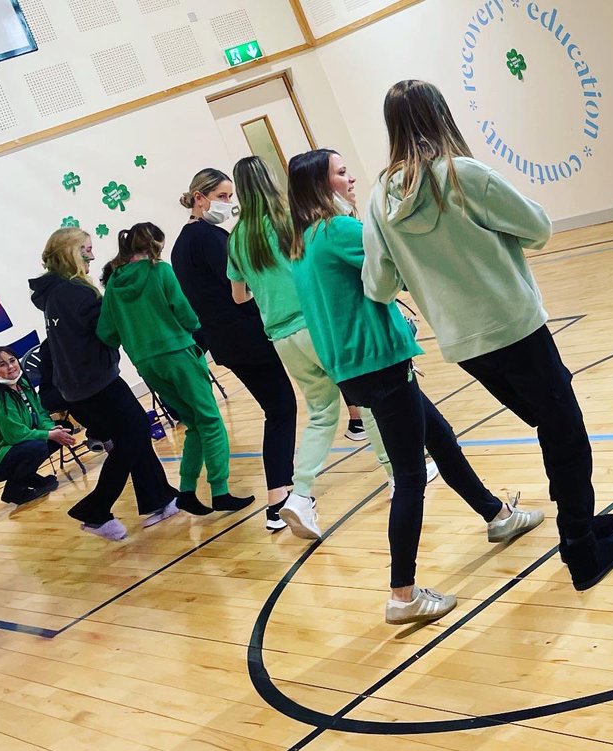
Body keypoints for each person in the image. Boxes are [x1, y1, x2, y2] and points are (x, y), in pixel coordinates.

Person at [361, 79, 613, 592]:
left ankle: (581, 522)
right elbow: (538, 229)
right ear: (441, 115)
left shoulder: (378, 201)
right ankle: (580, 547)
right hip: (514, 327)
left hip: (464, 345)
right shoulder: (464, 176)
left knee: (551, 424)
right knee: (565, 431)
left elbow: (378, 282)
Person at [288, 147, 544, 625]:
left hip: (355, 368)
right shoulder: (338, 230)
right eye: (341, 173)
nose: (350, 179)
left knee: (440, 439)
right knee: (409, 477)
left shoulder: (302, 241)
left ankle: (495, 515)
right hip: (379, 363)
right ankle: (402, 594)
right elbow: (393, 266)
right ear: (321, 187)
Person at [227, 155, 404, 541]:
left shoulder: (236, 237)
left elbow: (238, 296)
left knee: (322, 413)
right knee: (366, 400)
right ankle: (397, 475)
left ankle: (300, 494)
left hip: (280, 335)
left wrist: (266, 287)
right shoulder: (288, 219)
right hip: (315, 323)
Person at [30, 227, 178, 541]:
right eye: (86, 249)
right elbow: (105, 330)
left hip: (77, 388)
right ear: (71, 252)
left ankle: (160, 498)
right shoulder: (74, 292)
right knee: (134, 433)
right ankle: (96, 509)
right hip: (96, 383)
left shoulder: (54, 294)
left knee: (132, 435)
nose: (92, 256)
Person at [98, 222, 254, 516]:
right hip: (177, 354)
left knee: (194, 424)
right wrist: (191, 327)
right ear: (155, 244)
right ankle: (220, 491)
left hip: (146, 364)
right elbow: (186, 314)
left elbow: (106, 332)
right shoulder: (160, 271)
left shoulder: (114, 284)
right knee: (210, 421)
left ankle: (186, 492)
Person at [172, 168, 298, 531]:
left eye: (231, 196)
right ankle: (279, 497)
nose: (229, 204)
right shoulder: (211, 239)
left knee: (279, 407)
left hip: (225, 341)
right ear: (200, 198)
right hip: (246, 338)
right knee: (280, 408)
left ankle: (283, 490)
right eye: (223, 196)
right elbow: (238, 292)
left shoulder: (183, 243)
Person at [0, 345, 76, 505]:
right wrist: (48, 434)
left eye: (12, 360)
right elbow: (15, 435)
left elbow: (40, 413)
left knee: (63, 427)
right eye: (2, 365)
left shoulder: (23, 385)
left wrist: (50, 428)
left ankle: (31, 479)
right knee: (38, 446)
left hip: (12, 447)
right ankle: (13, 491)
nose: (10, 366)